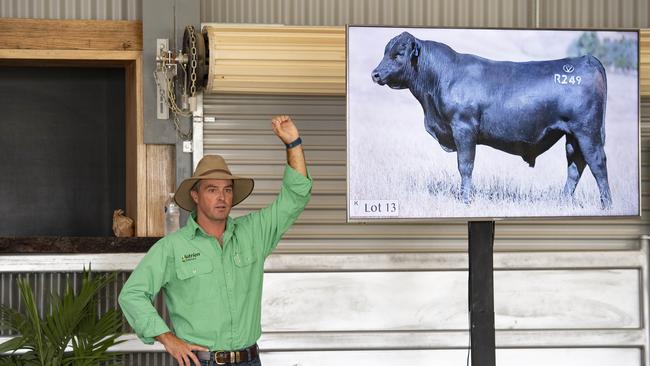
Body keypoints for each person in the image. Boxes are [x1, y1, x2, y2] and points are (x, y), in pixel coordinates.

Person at [119, 115, 311, 366]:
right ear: (195, 195)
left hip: (249, 360)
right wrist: (167, 338)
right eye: (212, 189)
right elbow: (132, 294)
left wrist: (293, 143)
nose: (222, 197)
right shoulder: (172, 247)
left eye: (227, 189)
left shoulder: (254, 233)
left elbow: (295, 198)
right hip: (201, 362)